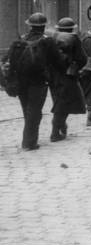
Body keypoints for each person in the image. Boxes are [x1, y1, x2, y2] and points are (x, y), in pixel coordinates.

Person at [7, 13, 65, 150]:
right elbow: (58, 62)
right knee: (34, 110)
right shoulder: (47, 41)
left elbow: (11, 61)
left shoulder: (20, 40)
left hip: (21, 81)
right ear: (43, 26)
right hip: (38, 81)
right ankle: (29, 142)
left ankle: (29, 137)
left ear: (30, 25)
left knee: (27, 109)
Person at [49, 17, 87, 141]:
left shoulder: (52, 37)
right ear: (72, 28)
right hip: (67, 75)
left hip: (53, 76)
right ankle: (55, 131)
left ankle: (60, 126)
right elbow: (82, 58)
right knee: (64, 103)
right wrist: (75, 68)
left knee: (58, 101)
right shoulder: (74, 38)